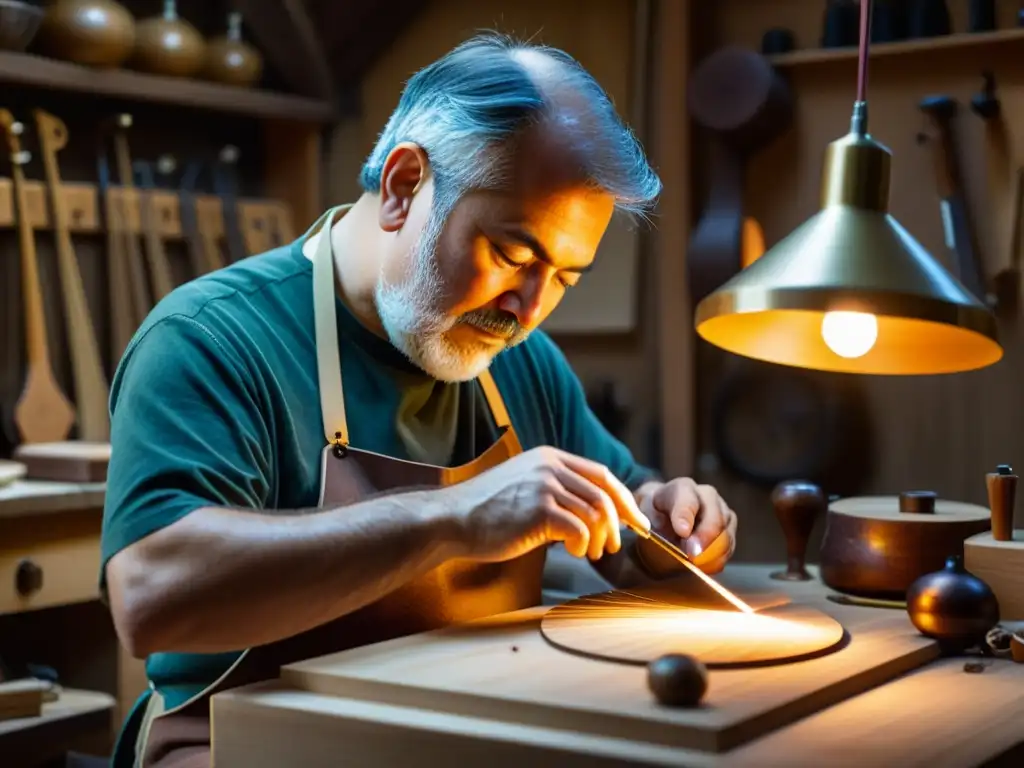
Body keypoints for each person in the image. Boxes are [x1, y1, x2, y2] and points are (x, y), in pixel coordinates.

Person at [100, 33, 738, 767]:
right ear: (404, 186)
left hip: (463, 736)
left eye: (565, 277)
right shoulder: (213, 339)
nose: (529, 310)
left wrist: (670, 529)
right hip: (244, 747)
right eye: (513, 255)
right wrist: (451, 518)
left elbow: (624, 546)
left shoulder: (522, 362)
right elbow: (152, 594)